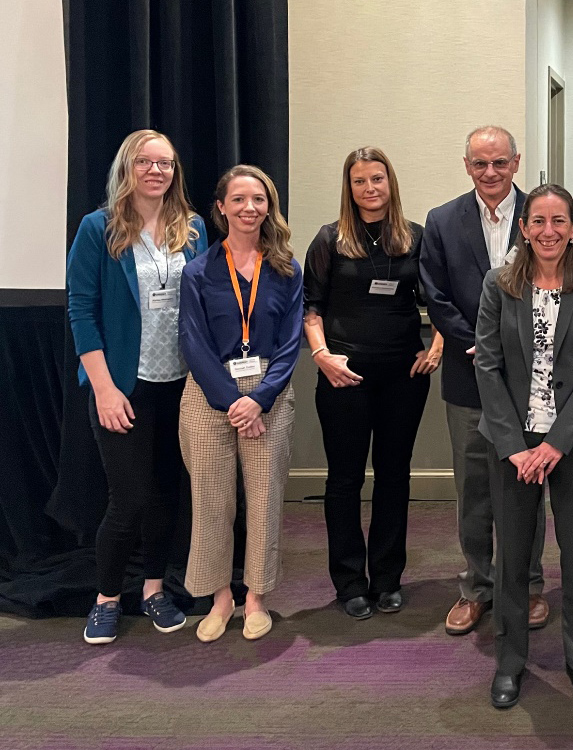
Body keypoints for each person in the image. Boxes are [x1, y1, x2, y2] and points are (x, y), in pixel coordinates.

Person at [475, 184, 573, 708]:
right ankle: (509, 662)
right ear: (524, 228)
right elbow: (486, 365)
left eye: (559, 221)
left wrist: (556, 443)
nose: (549, 231)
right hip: (511, 442)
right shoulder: (499, 285)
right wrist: (515, 445)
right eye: (538, 221)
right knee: (511, 555)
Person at [67, 129, 208, 644]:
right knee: (127, 499)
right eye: (146, 162)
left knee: (167, 493)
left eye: (166, 163)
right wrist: (103, 388)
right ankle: (106, 599)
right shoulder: (98, 228)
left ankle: (152, 590)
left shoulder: (191, 228)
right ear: (127, 168)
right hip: (123, 385)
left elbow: (201, 302)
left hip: (180, 385)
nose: (157, 171)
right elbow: (81, 311)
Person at [420, 127, 550, 636]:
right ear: (467, 165)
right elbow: (433, 292)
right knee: (474, 488)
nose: (490, 173)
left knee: (527, 484)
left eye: (500, 163)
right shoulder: (442, 221)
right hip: (468, 373)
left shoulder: (539, 215)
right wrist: (479, 342)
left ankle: (530, 584)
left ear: (516, 163)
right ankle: (476, 586)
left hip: (533, 380)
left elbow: (558, 280)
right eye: (480, 164)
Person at [303, 147, 442, 620]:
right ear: (350, 187)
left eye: (377, 179)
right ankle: (348, 581)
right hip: (344, 376)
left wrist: (438, 344)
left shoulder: (415, 238)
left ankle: (387, 578)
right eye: (360, 181)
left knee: (394, 476)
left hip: (403, 374)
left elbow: (439, 300)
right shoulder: (329, 239)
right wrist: (322, 356)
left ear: (391, 182)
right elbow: (311, 307)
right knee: (344, 479)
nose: (370, 188)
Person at [179, 164, 303, 642]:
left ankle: (255, 596)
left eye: (258, 199)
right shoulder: (198, 271)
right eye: (239, 200)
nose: (249, 208)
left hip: (269, 395)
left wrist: (261, 400)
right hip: (211, 397)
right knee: (211, 500)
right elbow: (193, 341)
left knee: (265, 498)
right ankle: (219, 598)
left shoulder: (287, 270)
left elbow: (291, 343)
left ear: (269, 207)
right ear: (221, 208)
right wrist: (234, 401)